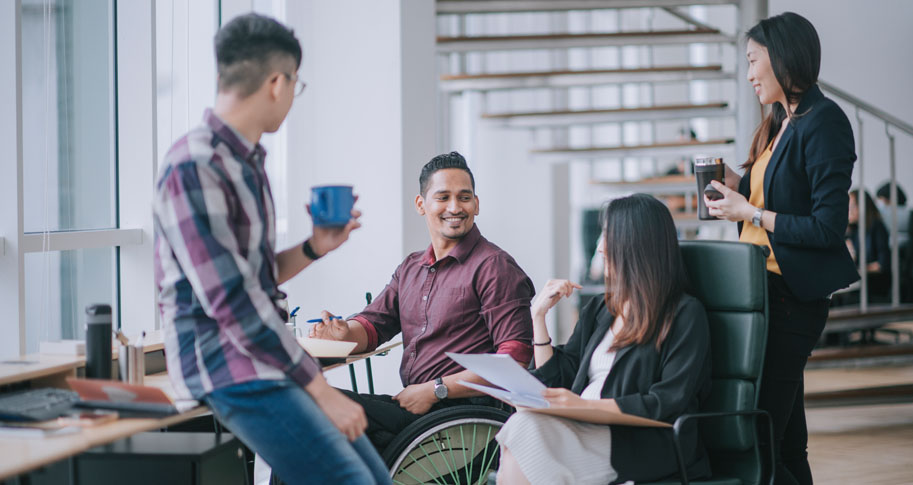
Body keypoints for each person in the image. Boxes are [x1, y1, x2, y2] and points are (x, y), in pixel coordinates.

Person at [152, 13, 389, 485]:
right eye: (296, 86)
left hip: (262, 361)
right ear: (278, 83)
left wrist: (314, 247)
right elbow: (233, 304)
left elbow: (253, 278)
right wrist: (323, 391)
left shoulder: (247, 163)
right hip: (231, 369)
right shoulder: (193, 166)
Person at [703, 12, 858, 485]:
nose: (748, 74)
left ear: (782, 58)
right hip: (759, 289)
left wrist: (747, 212)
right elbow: (769, 195)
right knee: (785, 435)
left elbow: (827, 229)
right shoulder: (779, 122)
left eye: (753, 61)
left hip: (790, 298)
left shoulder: (825, 122)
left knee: (761, 428)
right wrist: (735, 185)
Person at [311, 151, 535, 450]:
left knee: (315, 404)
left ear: (476, 204)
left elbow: (514, 361)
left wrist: (436, 390)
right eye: (442, 197)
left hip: (461, 416)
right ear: (421, 204)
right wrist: (344, 333)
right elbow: (375, 324)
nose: (455, 207)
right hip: (417, 409)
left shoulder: (494, 266)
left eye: (464, 197)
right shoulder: (411, 268)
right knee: (313, 414)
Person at [495, 194, 712, 485]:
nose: (600, 247)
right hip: (582, 426)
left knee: (523, 434)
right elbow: (559, 378)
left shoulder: (684, 314)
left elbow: (667, 402)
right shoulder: (600, 308)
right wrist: (538, 318)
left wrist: (580, 407)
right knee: (521, 426)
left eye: (609, 236)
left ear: (636, 245)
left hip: (639, 440)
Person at [847, 189, 891, 301]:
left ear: (862, 207)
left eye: (852, 207)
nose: (848, 211)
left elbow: (882, 264)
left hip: (875, 284)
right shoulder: (854, 231)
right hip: (860, 282)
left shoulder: (877, 227)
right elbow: (854, 260)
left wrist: (860, 270)